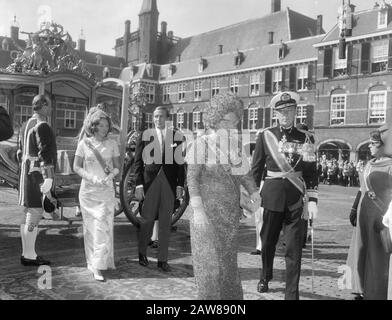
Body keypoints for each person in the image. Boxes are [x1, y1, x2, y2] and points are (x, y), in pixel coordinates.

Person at [186, 93, 260, 299]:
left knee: (228, 264)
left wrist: (255, 192)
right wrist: (198, 210)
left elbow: (244, 173)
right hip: (205, 215)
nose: (233, 127)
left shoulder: (235, 146)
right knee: (208, 264)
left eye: (235, 123)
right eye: (229, 121)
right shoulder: (200, 144)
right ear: (216, 120)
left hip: (229, 215)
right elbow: (192, 179)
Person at [251, 91, 319, 300]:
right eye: (282, 112)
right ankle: (265, 275)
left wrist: (313, 200)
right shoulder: (266, 135)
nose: (286, 115)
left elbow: (311, 171)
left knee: (294, 249)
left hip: (296, 199)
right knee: (268, 242)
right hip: (271, 197)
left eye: (290, 111)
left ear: (296, 112)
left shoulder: (306, 138)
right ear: (276, 113)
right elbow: (256, 168)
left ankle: (292, 295)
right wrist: (252, 195)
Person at [134, 106, 185, 272]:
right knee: (147, 220)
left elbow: (179, 163)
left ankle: (163, 260)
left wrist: (179, 184)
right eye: (155, 116)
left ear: (167, 118)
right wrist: (139, 184)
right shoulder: (145, 135)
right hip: (150, 182)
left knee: (165, 222)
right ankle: (142, 253)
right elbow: (137, 163)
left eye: (161, 116)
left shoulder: (175, 136)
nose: (158, 119)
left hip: (169, 183)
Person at [73, 107, 120, 282]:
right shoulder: (84, 144)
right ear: (93, 126)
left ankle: (99, 265)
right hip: (88, 193)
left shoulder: (113, 144)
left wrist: (110, 176)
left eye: (107, 125)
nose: (105, 128)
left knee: (102, 228)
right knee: (91, 230)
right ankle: (93, 263)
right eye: (101, 125)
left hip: (106, 192)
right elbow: (76, 167)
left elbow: (117, 167)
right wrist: (91, 177)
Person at [346, 126, 392, 299]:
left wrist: (388, 216)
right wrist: (354, 207)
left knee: (377, 253)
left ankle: (376, 290)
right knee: (361, 249)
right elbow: (362, 189)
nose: (370, 146)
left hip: (381, 215)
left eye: (374, 143)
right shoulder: (368, 164)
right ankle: (360, 287)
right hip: (363, 212)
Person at [18, 94, 56, 266]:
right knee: (34, 213)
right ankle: (30, 255)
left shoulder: (25, 125)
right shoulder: (43, 126)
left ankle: (27, 253)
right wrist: (48, 177)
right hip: (36, 174)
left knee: (28, 213)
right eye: (50, 105)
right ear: (44, 106)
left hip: (25, 173)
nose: (51, 109)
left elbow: (19, 152)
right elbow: (45, 153)